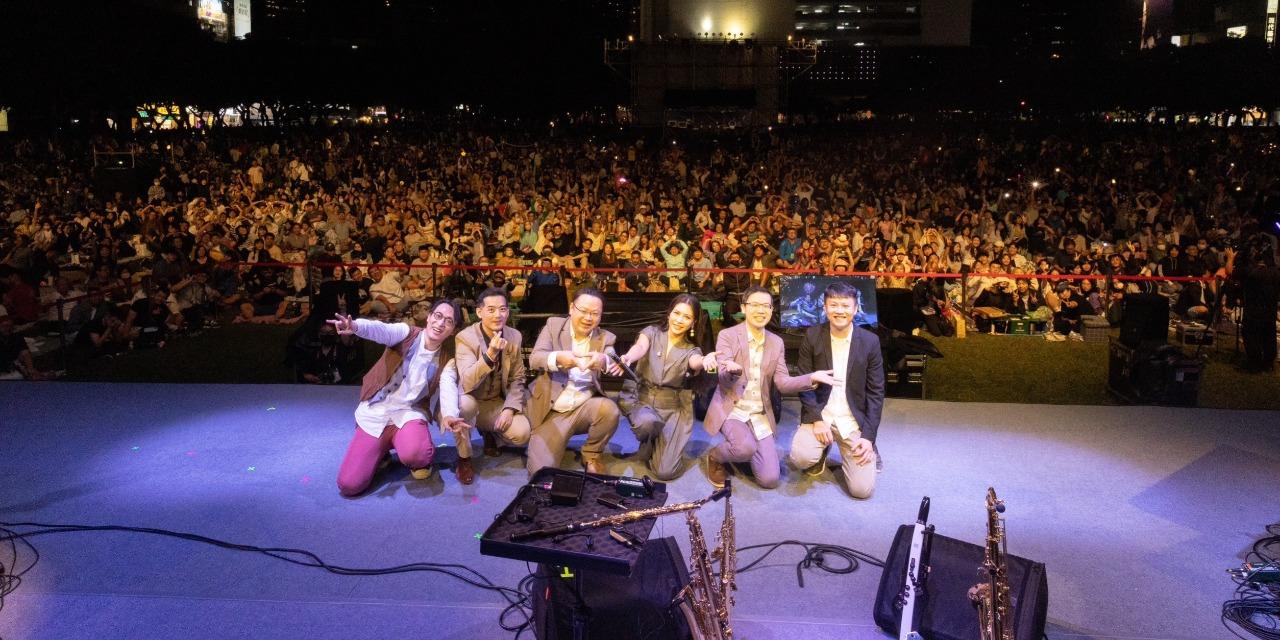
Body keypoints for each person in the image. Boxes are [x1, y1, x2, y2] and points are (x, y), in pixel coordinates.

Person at [328, 299, 467, 496]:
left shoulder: (446, 360)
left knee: (419, 454)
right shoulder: (406, 333)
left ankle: (408, 452)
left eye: (449, 321)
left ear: (452, 330)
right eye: (437, 316)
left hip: (408, 414)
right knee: (349, 485)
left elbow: (448, 388)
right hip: (377, 412)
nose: (440, 323)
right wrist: (356, 326)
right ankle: (382, 453)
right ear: (428, 317)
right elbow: (381, 330)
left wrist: (450, 415)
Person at [702, 285, 837, 489]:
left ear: (772, 311)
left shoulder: (776, 342)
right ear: (743, 307)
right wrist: (733, 371)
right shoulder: (728, 336)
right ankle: (715, 457)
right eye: (755, 305)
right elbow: (722, 377)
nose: (761, 310)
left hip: (759, 413)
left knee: (770, 480)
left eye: (766, 306)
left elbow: (782, 383)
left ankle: (743, 448)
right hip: (733, 409)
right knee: (744, 448)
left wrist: (811, 377)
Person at [788, 282, 885, 499]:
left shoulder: (870, 342)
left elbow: (876, 393)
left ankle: (866, 447)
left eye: (845, 305)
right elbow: (804, 383)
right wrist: (816, 419)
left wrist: (868, 437)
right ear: (825, 307)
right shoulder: (812, 336)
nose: (839, 310)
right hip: (822, 417)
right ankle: (820, 452)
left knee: (862, 491)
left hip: (852, 421)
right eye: (833, 305)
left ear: (855, 308)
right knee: (800, 458)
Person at [525, 287, 624, 476]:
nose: (588, 318)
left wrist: (603, 361)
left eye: (595, 314)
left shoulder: (605, 337)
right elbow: (535, 358)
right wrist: (559, 358)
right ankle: (549, 441)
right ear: (572, 308)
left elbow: (610, 358)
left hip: (583, 407)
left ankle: (591, 454)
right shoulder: (553, 326)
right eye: (584, 311)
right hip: (550, 411)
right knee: (541, 474)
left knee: (609, 410)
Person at [616, 293, 715, 480]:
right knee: (647, 423)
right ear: (669, 313)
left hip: (673, 408)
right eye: (677, 313)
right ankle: (650, 439)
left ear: (693, 323)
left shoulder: (691, 349)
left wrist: (705, 360)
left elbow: (695, 362)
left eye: (687, 317)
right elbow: (640, 347)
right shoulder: (651, 333)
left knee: (665, 472)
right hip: (643, 401)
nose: (679, 320)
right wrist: (629, 356)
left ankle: (656, 446)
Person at [445, 287, 531, 484]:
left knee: (522, 433)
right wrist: (490, 355)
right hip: (470, 399)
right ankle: (464, 458)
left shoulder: (514, 336)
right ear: (479, 312)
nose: (498, 315)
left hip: (495, 401)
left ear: (508, 312)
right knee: (466, 405)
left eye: (502, 309)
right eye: (491, 310)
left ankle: (489, 432)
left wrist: (509, 408)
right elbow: (466, 382)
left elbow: (518, 378)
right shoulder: (465, 338)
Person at [1226, 240, 1280, 373]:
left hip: (1253, 311)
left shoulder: (1249, 271)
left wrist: (1231, 258)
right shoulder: (1275, 272)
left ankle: (1254, 364)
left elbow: (1229, 272)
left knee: (1252, 336)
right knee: (1269, 336)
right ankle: (1268, 363)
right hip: (1270, 312)